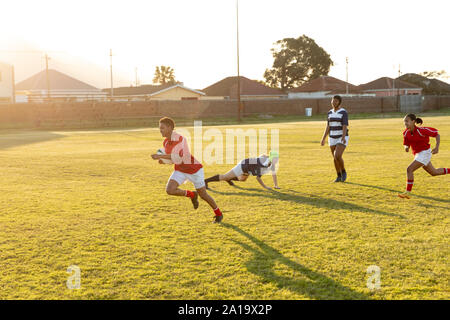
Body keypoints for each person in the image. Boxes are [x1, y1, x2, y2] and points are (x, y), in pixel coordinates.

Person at [151, 117, 223, 223]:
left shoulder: (180, 139)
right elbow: (172, 159)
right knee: (170, 190)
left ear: (170, 127)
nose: (160, 130)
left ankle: (219, 214)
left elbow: (179, 156)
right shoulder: (166, 142)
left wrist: (160, 156)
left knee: (203, 195)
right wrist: (163, 160)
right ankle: (192, 195)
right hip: (180, 170)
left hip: (194, 170)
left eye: (162, 128)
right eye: (159, 128)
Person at [398, 114, 449, 199]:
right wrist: (406, 147)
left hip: (425, 153)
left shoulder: (422, 130)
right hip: (418, 154)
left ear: (413, 121)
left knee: (409, 169)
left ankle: (408, 192)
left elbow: (437, 135)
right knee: (434, 172)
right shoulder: (406, 132)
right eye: (404, 122)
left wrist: (437, 147)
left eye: (407, 121)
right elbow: (406, 143)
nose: (405, 123)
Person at [204, 151, 280, 190]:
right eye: (275, 158)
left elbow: (274, 174)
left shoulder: (270, 163)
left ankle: (229, 179)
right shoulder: (264, 163)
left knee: (242, 179)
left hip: (248, 168)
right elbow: (258, 178)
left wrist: (275, 185)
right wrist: (265, 187)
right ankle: (206, 181)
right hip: (243, 166)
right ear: (271, 158)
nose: (277, 160)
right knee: (224, 176)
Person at [320, 95, 349, 182]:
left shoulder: (343, 112)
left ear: (339, 102)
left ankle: (343, 171)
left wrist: (343, 137)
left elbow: (345, 125)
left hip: (341, 137)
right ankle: (338, 176)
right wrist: (323, 138)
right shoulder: (329, 112)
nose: (334, 102)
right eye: (333, 100)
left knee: (337, 155)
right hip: (332, 137)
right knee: (335, 158)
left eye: (336, 101)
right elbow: (328, 126)